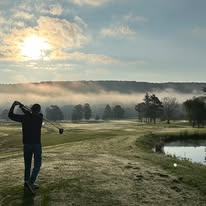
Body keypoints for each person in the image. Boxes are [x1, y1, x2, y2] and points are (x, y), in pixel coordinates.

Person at [8, 101, 43, 193]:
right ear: (38, 110)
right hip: (36, 144)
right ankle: (29, 183)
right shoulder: (40, 117)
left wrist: (15, 106)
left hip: (27, 144)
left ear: (31, 110)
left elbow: (10, 115)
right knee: (37, 164)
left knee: (27, 166)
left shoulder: (25, 118)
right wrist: (23, 108)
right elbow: (31, 114)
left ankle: (27, 184)